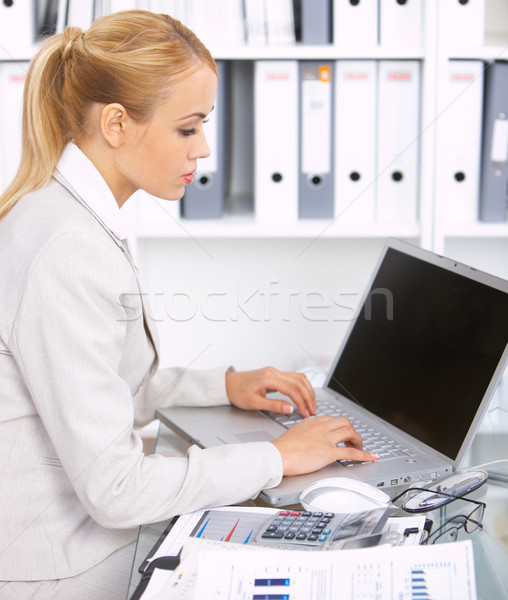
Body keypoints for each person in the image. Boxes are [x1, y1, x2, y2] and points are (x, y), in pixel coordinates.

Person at [0, 10, 377, 599]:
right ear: (118, 124)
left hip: (66, 542)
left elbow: (104, 388)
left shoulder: (62, 209)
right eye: (188, 128)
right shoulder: (67, 248)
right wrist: (277, 457)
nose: (202, 149)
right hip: (60, 571)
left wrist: (225, 386)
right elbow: (117, 488)